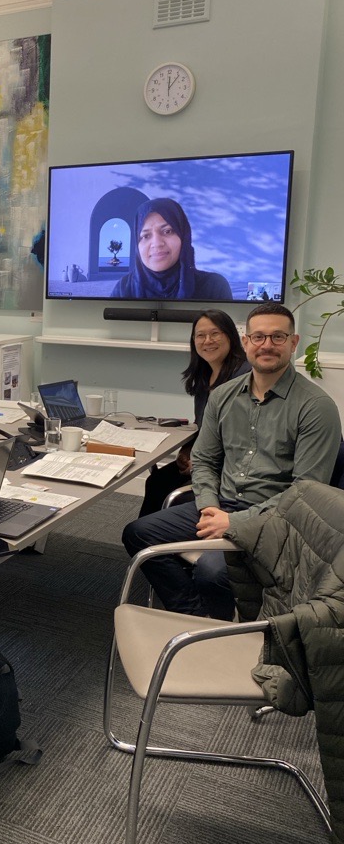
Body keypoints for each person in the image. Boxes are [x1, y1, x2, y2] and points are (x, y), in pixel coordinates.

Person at [122, 302, 342, 620]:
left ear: (293, 343)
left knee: (213, 572)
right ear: (246, 343)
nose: (267, 345)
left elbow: (306, 494)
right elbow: (205, 459)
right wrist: (211, 506)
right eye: (258, 337)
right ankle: (197, 619)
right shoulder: (223, 396)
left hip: (277, 518)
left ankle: (219, 633)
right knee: (138, 533)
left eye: (278, 337)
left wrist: (234, 523)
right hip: (222, 505)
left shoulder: (316, 406)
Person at [138, 310, 250, 517]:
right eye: (200, 335)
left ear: (231, 336)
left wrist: (201, 462)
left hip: (230, 465)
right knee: (157, 481)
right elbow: (203, 425)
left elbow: (240, 437)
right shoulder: (204, 375)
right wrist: (187, 449)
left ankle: (159, 538)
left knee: (166, 489)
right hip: (205, 455)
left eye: (215, 334)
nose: (208, 341)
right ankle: (150, 540)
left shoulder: (244, 375)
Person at [110, 198, 233, 301]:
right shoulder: (124, 289)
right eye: (146, 236)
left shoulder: (213, 287)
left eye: (167, 231)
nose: (157, 244)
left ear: (183, 236)